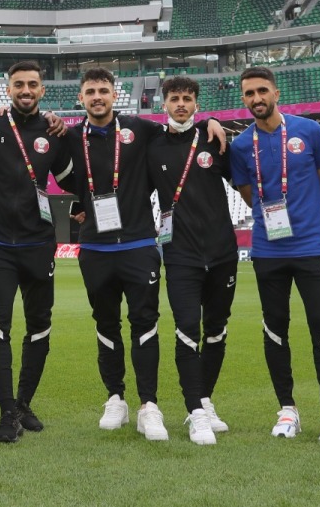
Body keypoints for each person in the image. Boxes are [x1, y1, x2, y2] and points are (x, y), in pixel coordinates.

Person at [64, 68, 224, 441]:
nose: (98, 96)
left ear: (115, 93)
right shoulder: (70, 137)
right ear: (81, 97)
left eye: (104, 90)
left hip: (138, 244)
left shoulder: (142, 128)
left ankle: (148, 406)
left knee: (144, 325)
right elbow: (58, 172)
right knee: (105, 326)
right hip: (94, 247)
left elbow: (181, 126)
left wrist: (212, 118)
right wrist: (77, 205)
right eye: (91, 91)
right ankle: (115, 398)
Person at [230, 66, 320, 450]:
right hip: (268, 249)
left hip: (312, 246)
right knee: (275, 329)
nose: (256, 99)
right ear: (244, 99)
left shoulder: (309, 131)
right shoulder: (240, 146)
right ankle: (287, 408)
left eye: (262, 91)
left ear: (276, 93)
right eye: (249, 93)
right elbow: (249, 193)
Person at [0, 61, 73, 443]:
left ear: (42, 90)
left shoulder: (54, 131)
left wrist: (72, 224)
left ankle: (24, 401)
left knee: (40, 326)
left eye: (32, 84)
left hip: (38, 244)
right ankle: (6, 411)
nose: (25, 90)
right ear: (7, 89)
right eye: (18, 85)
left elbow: (72, 183)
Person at [147, 76, 237, 445]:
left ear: (197, 103)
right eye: (174, 98)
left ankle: (203, 400)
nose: (180, 104)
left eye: (187, 98)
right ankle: (197, 413)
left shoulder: (214, 140)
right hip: (180, 254)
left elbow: (244, 183)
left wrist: (210, 123)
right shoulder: (153, 148)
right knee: (187, 329)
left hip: (222, 253)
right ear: (164, 104)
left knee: (216, 331)